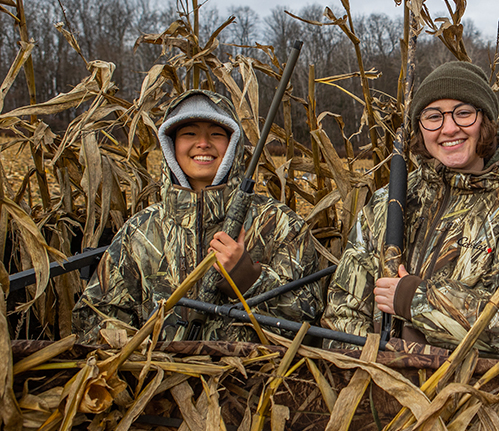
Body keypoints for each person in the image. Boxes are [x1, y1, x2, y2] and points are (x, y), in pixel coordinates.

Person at [322, 61, 499, 356]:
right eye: (433, 116)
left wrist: (419, 301)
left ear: (485, 121)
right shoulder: (387, 203)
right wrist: (369, 366)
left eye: (463, 113)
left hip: (473, 393)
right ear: (420, 127)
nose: (449, 128)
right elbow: (342, 312)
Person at [73, 89, 321, 343]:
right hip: (156, 376)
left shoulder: (279, 223)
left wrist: (250, 281)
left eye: (216, 133)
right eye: (189, 133)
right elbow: (95, 319)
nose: (203, 143)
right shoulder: (139, 231)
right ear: (170, 145)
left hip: (256, 379)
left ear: (233, 144)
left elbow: (310, 322)